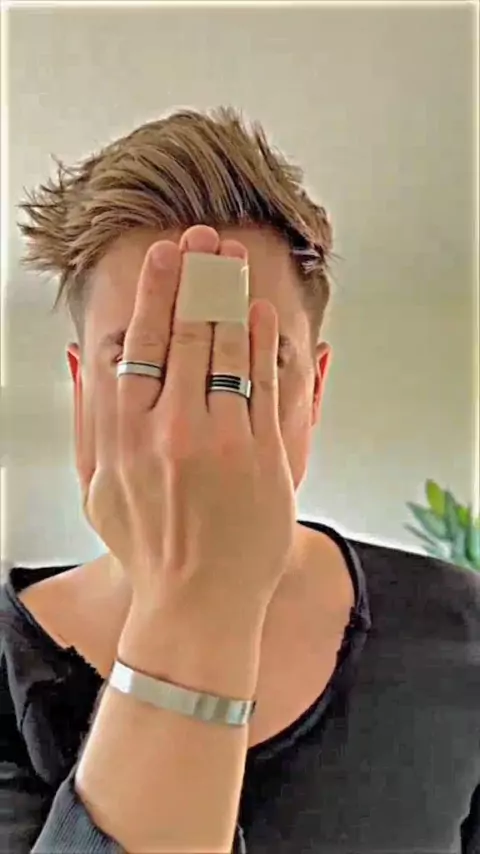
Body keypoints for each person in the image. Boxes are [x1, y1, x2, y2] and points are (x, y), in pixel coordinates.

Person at [1, 106, 479, 854]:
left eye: (250, 362)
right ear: (84, 391)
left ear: (313, 390)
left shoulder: (465, 629)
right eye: (144, 361)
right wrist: (196, 600)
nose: (193, 419)